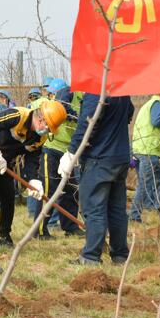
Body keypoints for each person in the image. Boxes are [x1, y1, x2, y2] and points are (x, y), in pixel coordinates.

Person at [0, 98, 65, 248]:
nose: (47, 130)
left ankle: (5, 236)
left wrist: (33, 180)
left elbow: (32, 158)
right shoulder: (18, 115)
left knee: (8, 196)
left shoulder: (41, 137)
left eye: (51, 128)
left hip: (3, 159)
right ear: (40, 118)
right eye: (48, 125)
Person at [61, 92, 135, 265]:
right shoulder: (122, 90)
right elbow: (129, 113)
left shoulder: (97, 90)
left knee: (94, 208)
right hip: (120, 156)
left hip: (99, 158)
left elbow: (88, 123)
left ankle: (91, 256)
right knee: (116, 209)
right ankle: (120, 255)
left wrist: (72, 151)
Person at [33, 79, 82, 238]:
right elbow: (63, 104)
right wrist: (74, 117)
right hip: (52, 150)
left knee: (71, 190)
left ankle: (70, 227)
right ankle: (39, 230)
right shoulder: (67, 92)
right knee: (49, 190)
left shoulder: (85, 98)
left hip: (69, 153)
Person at [128, 90, 160, 222]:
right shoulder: (157, 103)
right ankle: (135, 215)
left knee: (158, 180)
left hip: (141, 149)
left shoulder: (148, 104)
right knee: (145, 184)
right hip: (148, 150)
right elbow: (157, 121)